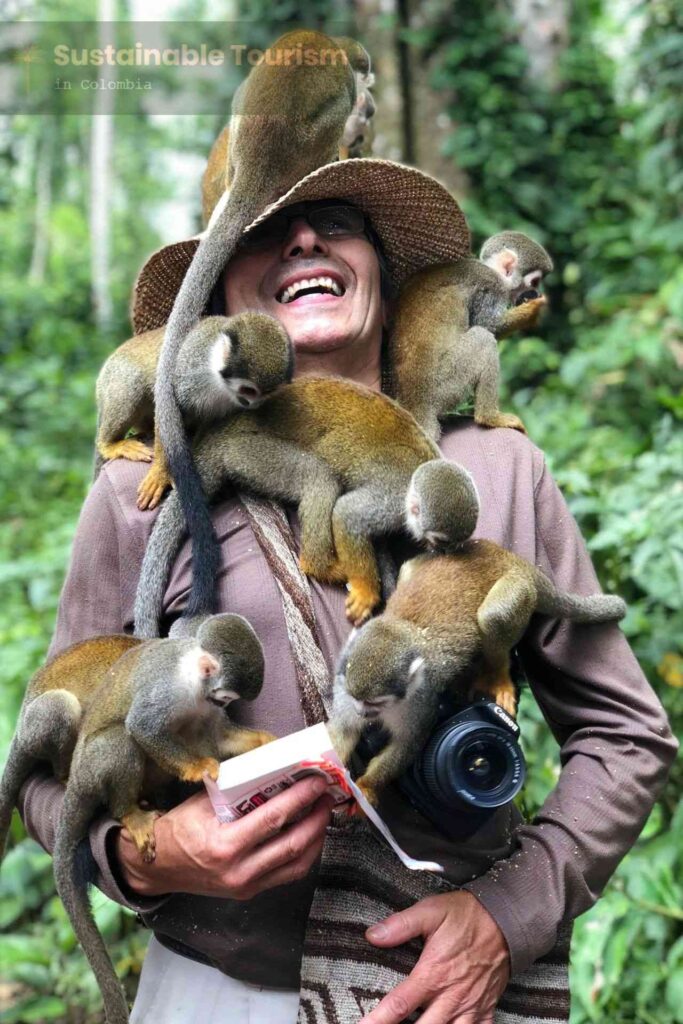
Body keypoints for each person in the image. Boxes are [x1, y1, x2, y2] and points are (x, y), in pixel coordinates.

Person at [18, 157, 677, 1024]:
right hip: (222, 986)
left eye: (334, 220)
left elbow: (625, 732)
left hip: (456, 987)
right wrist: (145, 855)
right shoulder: (146, 486)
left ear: (380, 269)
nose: (301, 240)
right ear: (222, 304)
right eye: (263, 232)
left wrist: (508, 915)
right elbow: (44, 761)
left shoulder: (497, 470)